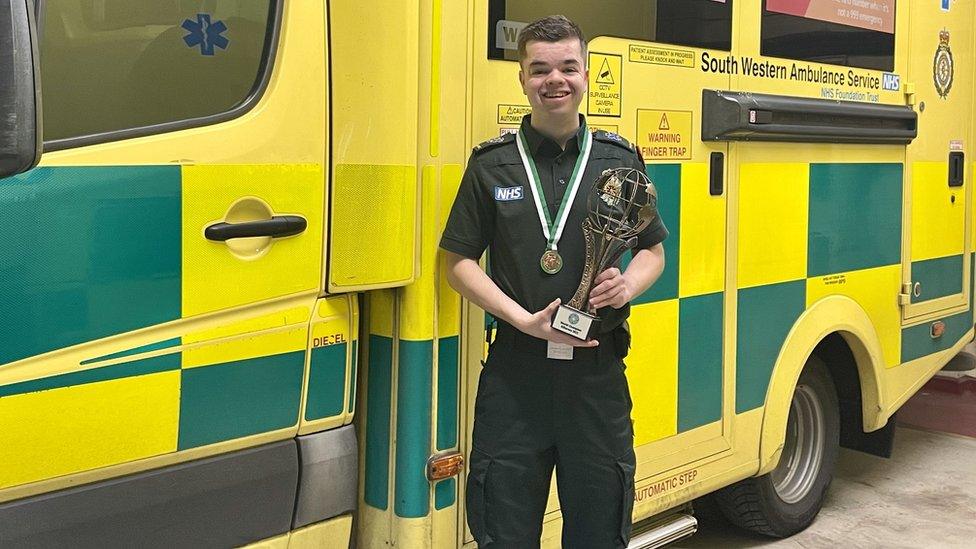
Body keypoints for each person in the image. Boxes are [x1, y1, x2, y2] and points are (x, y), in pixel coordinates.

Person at [439, 15, 667, 548]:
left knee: (598, 529)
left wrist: (628, 286)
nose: (554, 80)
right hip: (515, 379)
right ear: (521, 78)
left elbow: (652, 251)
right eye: (539, 69)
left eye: (568, 67)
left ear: (586, 74)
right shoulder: (491, 166)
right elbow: (456, 263)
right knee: (504, 529)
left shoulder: (617, 160)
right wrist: (523, 320)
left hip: (596, 378)